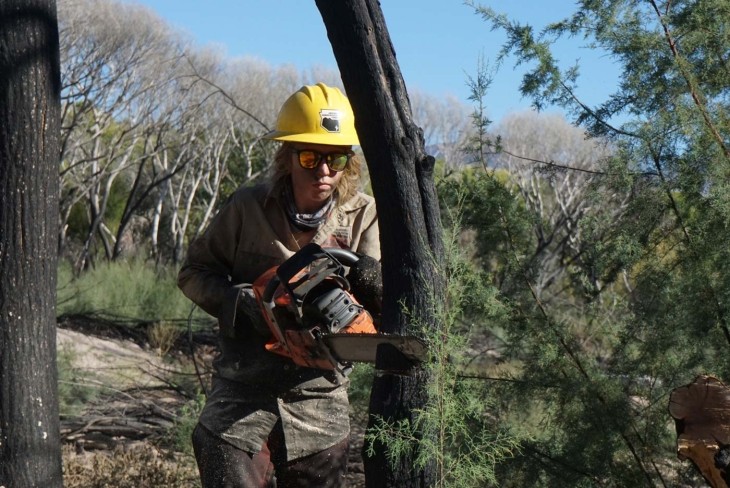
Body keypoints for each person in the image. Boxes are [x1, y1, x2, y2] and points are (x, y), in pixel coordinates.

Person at [178, 82, 380, 488]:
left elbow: (385, 305)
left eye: (335, 158)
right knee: (219, 451)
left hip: (319, 397)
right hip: (242, 385)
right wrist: (235, 301)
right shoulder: (248, 207)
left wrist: (367, 285)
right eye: (309, 157)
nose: (323, 171)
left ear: (348, 162)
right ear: (287, 157)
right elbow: (193, 273)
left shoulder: (363, 217)